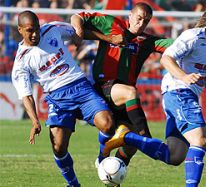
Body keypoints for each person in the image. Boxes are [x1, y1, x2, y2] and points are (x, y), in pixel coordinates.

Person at [11, 10, 124, 187]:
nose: (35, 34)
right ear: (20, 30)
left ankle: (102, 158)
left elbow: (77, 32)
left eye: (37, 29)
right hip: (57, 98)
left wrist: (108, 39)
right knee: (58, 146)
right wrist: (35, 121)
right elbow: (26, 95)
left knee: (108, 124)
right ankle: (73, 184)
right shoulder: (21, 61)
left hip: (80, 86)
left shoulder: (52, 29)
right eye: (30, 30)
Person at [71, 2, 173, 166]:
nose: (141, 24)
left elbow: (174, 44)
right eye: (138, 18)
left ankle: (110, 167)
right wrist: (79, 30)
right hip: (105, 87)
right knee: (131, 93)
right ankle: (146, 138)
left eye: (145, 21)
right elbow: (77, 17)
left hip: (122, 96)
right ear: (130, 16)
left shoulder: (146, 41)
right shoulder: (112, 24)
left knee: (130, 147)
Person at [159, 0, 206, 186]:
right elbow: (166, 58)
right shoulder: (193, 36)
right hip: (178, 92)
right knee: (200, 140)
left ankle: (126, 137)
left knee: (175, 155)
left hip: (185, 96)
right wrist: (184, 77)